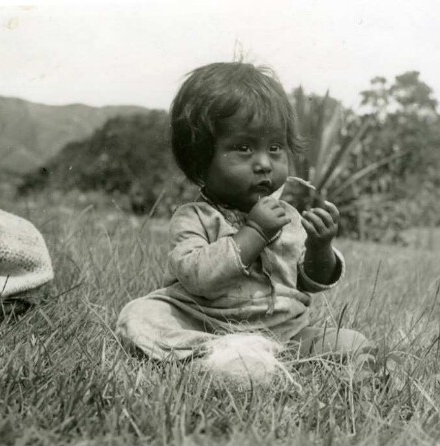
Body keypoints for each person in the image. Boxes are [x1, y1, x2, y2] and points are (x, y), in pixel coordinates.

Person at [116, 62, 374, 368]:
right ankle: (216, 355)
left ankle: (257, 360)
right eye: (243, 148)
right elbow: (198, 278)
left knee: (352, 342)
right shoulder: (194, 217)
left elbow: (309, 282)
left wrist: (321, 247)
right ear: (200, 161)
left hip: (283, 333)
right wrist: (255, 231)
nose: (264, 163)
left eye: (275, 147)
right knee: (138, 317)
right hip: (205, 325)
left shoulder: (289, 217)